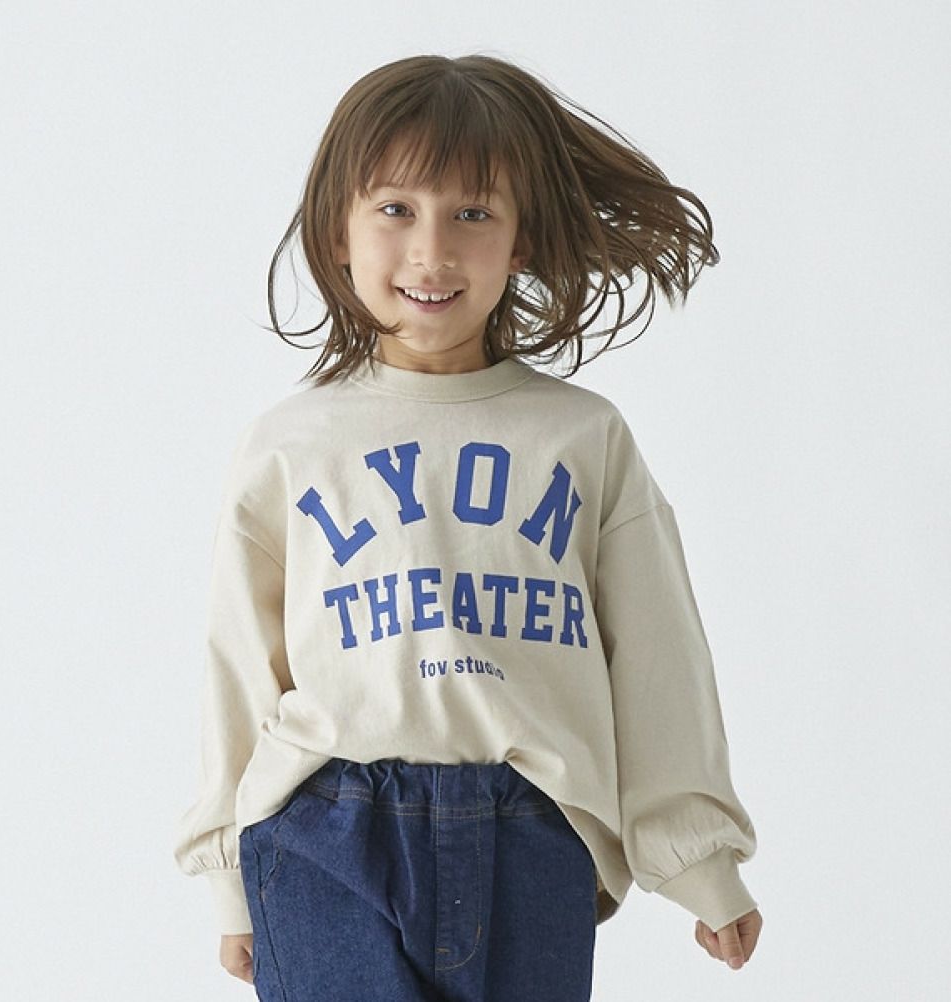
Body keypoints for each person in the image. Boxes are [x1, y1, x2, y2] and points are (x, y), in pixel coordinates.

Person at [173, 52, 763, 1001]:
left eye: (473, 214)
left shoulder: (583, 437)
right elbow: (239, 663)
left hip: (533, 832)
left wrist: (697, 857)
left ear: (521, 240)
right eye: (395, 209)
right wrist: (227, 877)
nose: (432, 252)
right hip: (325, 827)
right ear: (338, 230)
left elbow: (658, 657)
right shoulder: (290, 444)